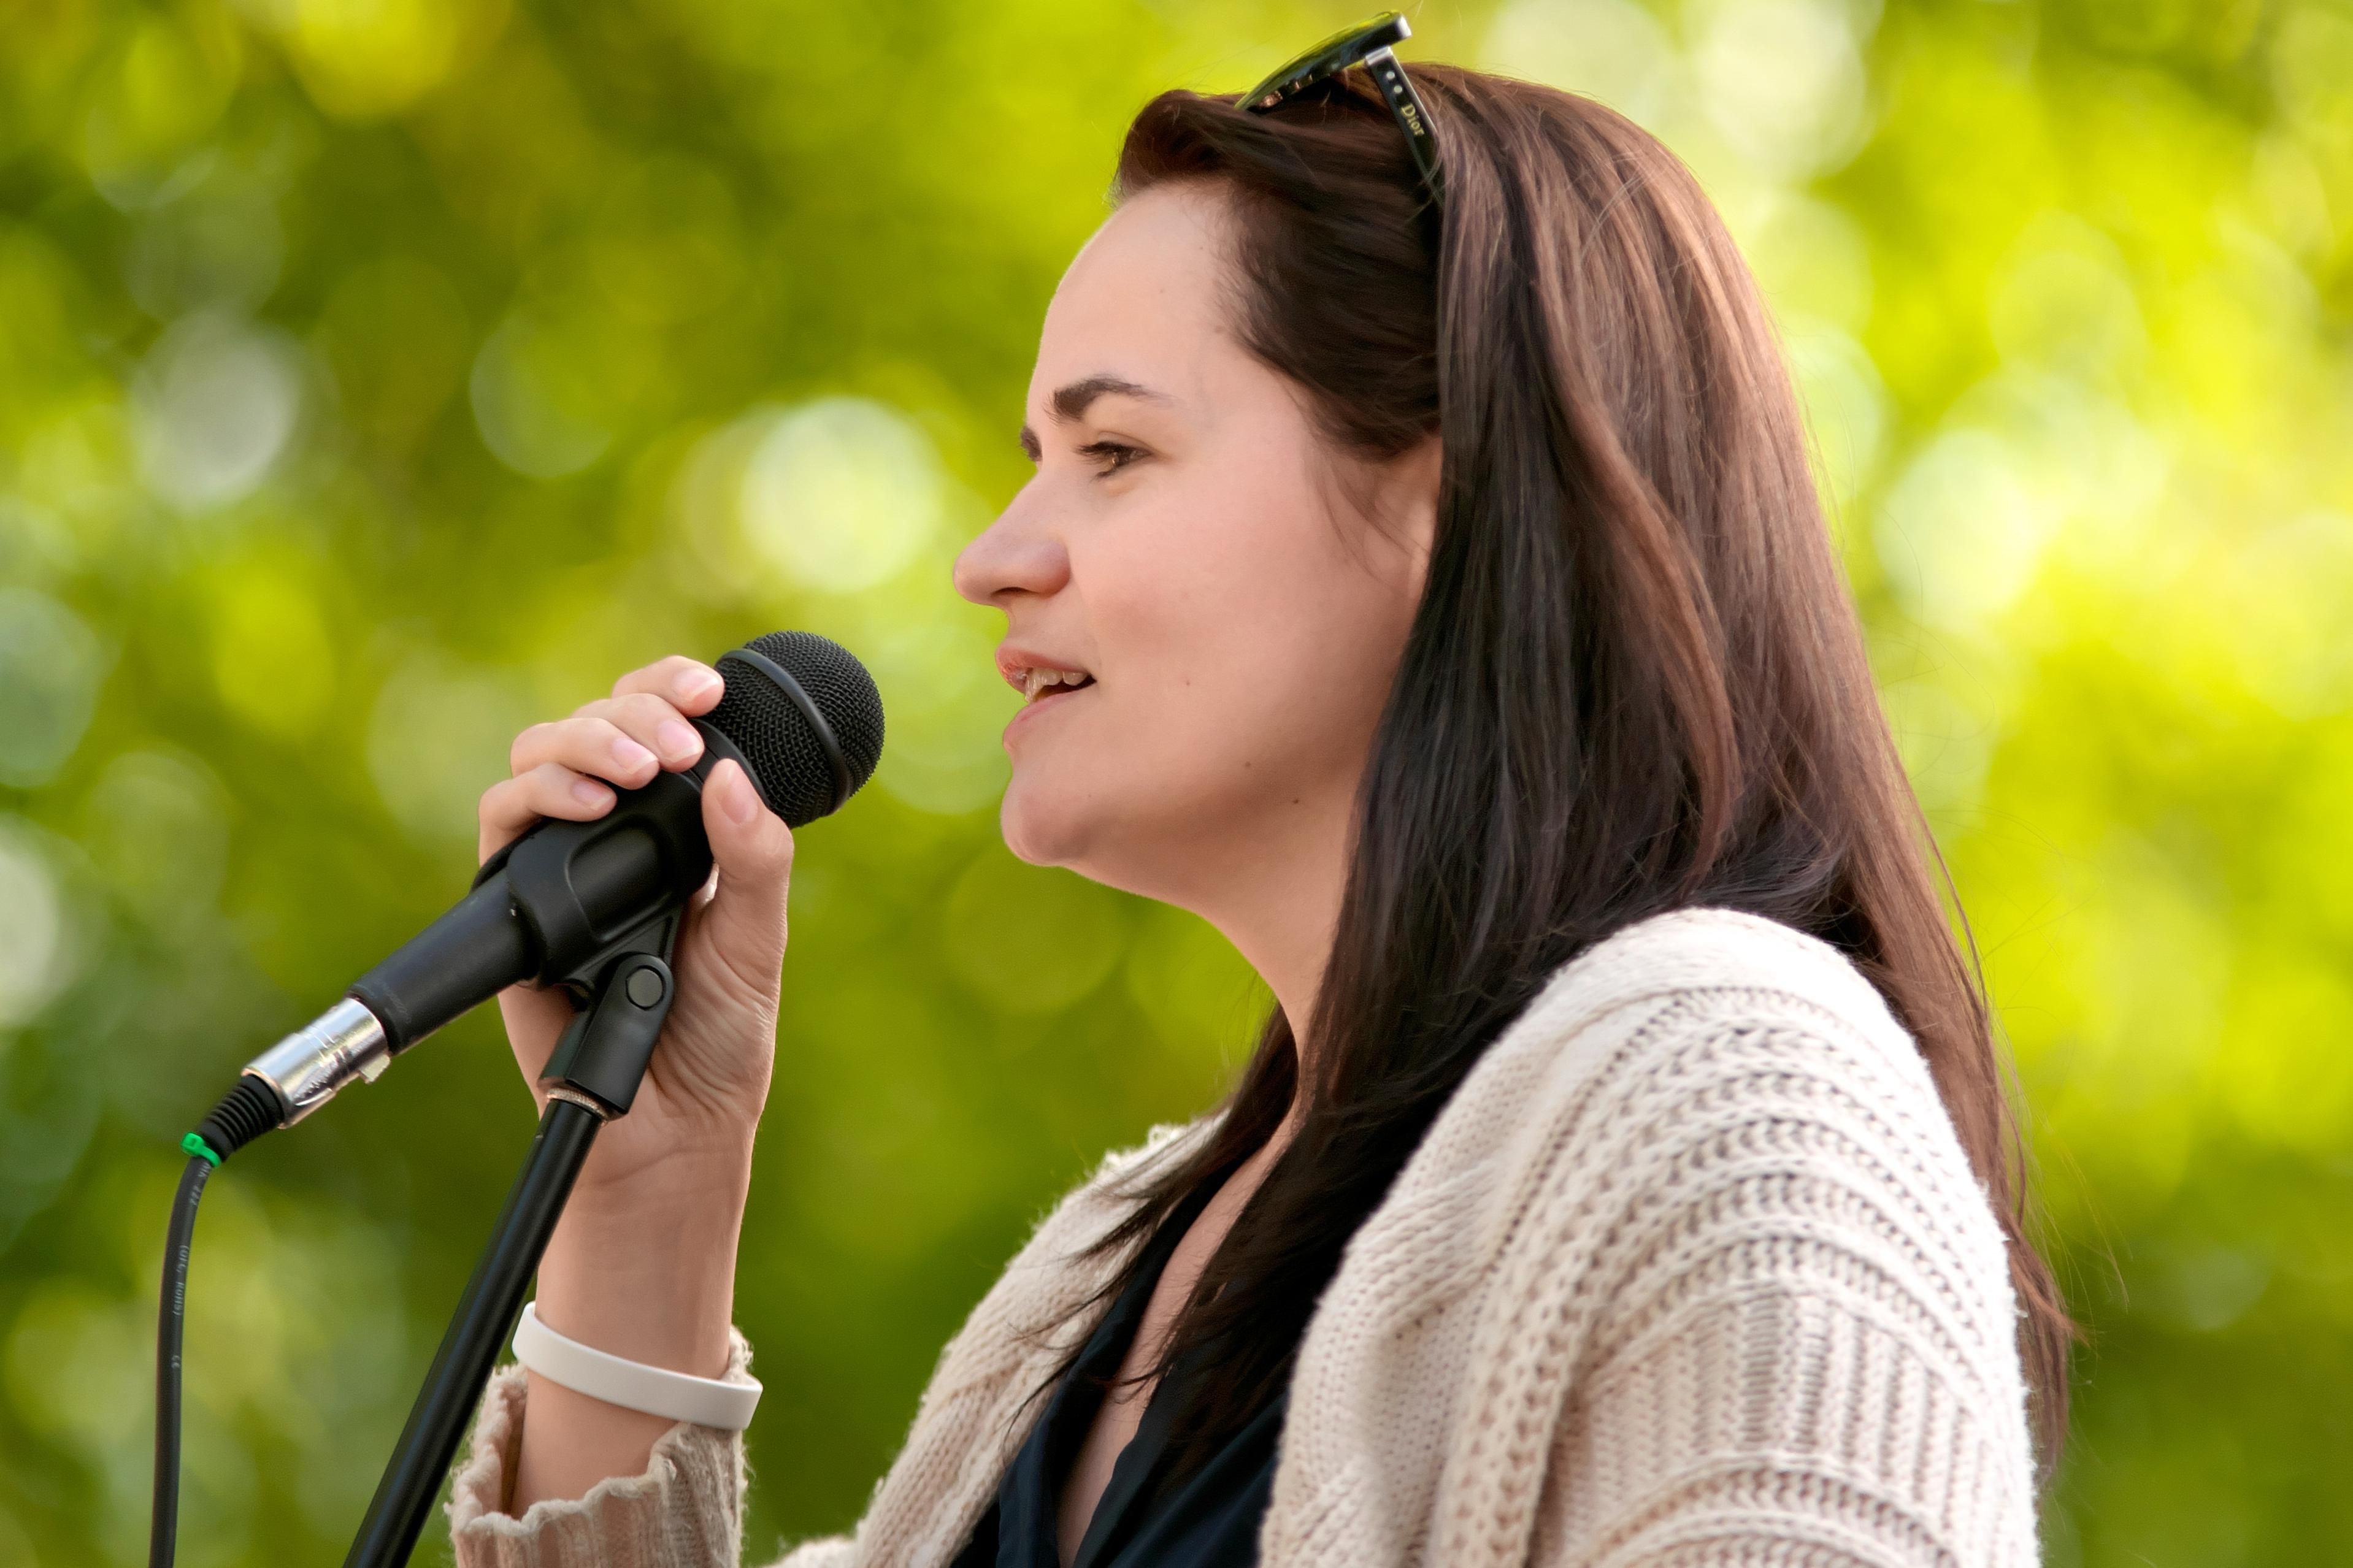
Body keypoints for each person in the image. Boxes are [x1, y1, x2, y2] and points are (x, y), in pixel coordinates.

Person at [444, 27, 2070, 1568]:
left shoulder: (1738, 1103)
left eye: (1113, 454)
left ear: (1443, 502)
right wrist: (643, 1201)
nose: (993, 558)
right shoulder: (1104, 1280)